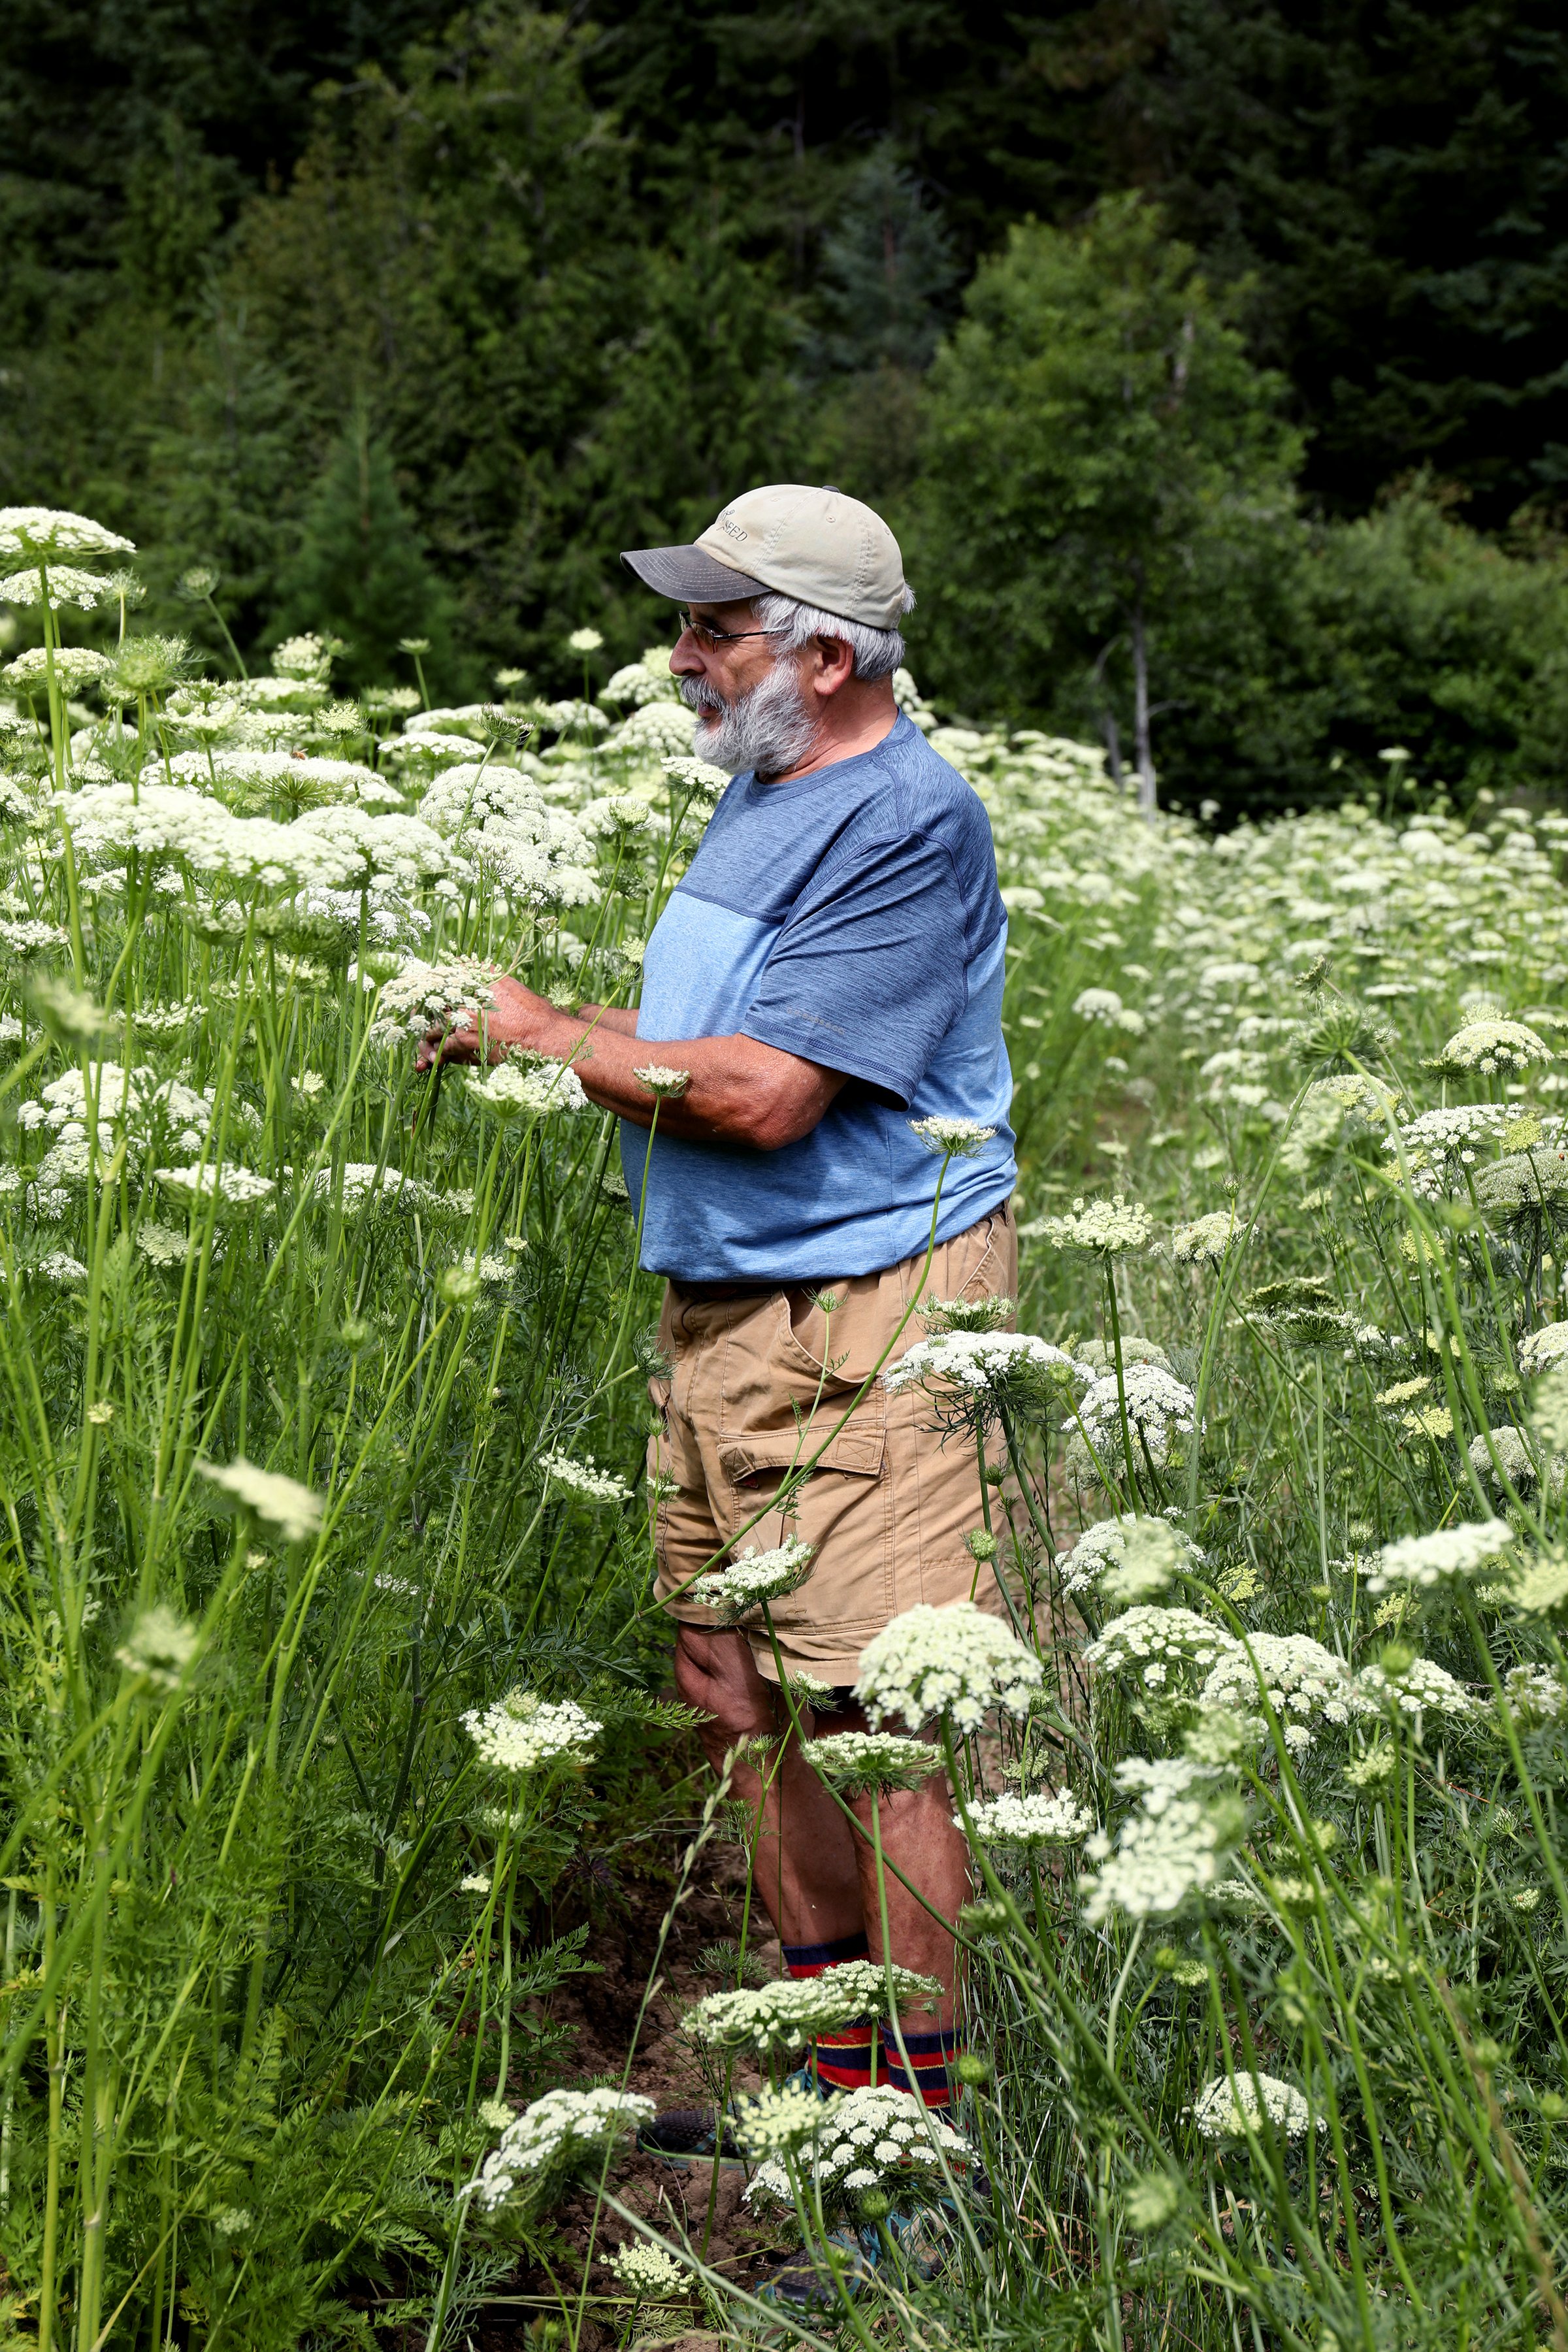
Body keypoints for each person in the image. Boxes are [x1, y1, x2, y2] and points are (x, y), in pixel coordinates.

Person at [419, 482, 1016, 2138]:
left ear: (825, 655)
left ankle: (922, 2145)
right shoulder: (766, 787)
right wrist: (524, 1015)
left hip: (868, 1310)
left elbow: (764, 1098)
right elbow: (711, 1032)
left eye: (714, 628)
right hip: (731, 1311)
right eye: (686, 623)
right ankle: (837, 2081)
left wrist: (551, 1041)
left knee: (873, 1713)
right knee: (735, 1691)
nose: (681, 657)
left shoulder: (904, 815)